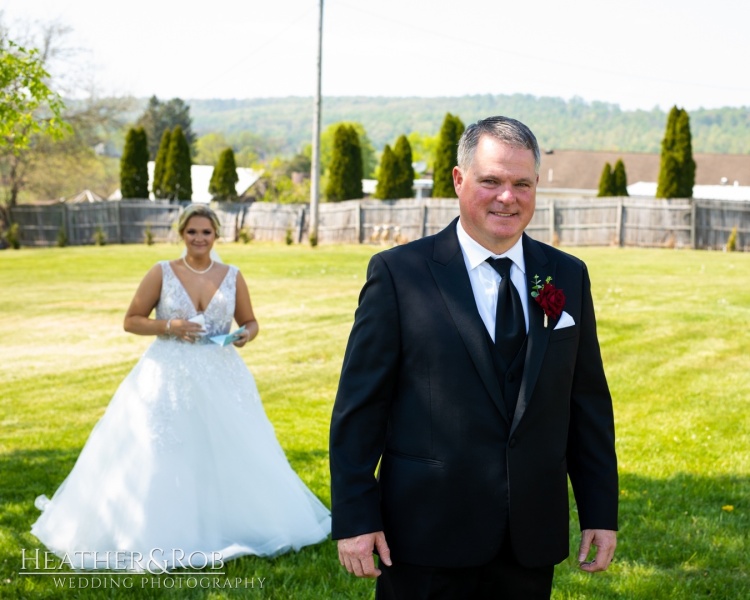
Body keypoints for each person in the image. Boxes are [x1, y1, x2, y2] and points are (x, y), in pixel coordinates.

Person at [329, 116, 618, 599]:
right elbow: (361, 406)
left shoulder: (566, 275)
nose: (508, 197)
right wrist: (356, 516)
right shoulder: (400, 275)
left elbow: (585, 402)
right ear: (459, 180)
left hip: (528, 536)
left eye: (521, 184)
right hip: (424, 533)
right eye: (492, 181)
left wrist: (599, 513)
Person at [32, 204, 331, 572]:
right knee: (166, 448)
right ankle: (158, 528)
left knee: (231, 448)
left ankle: (232, 522)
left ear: (216, 235)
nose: (199, 239)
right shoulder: (162, 272)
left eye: (206, 232)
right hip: (168, 372)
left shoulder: (233, 275)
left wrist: (243, 336)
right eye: (192, 232)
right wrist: (169, 325)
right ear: (181, 235)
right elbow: (131, 321)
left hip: (222, 374)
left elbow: (251, 321)